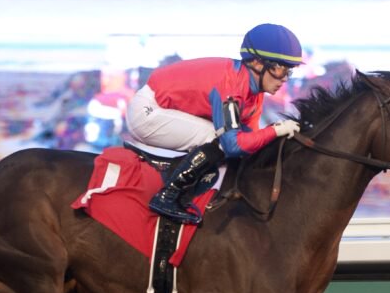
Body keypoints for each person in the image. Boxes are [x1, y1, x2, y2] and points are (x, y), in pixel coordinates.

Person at [125, 23, 303, 224]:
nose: (284, 79)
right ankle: (167, 196)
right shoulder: (230, 85)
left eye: (289, 71)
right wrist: (276, 130)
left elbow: (251, 142)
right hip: (147, 112)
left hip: (163, 109)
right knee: (216, 138)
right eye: (279, 68)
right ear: (257, 63)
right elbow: (233, 145)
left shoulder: (254, 95)